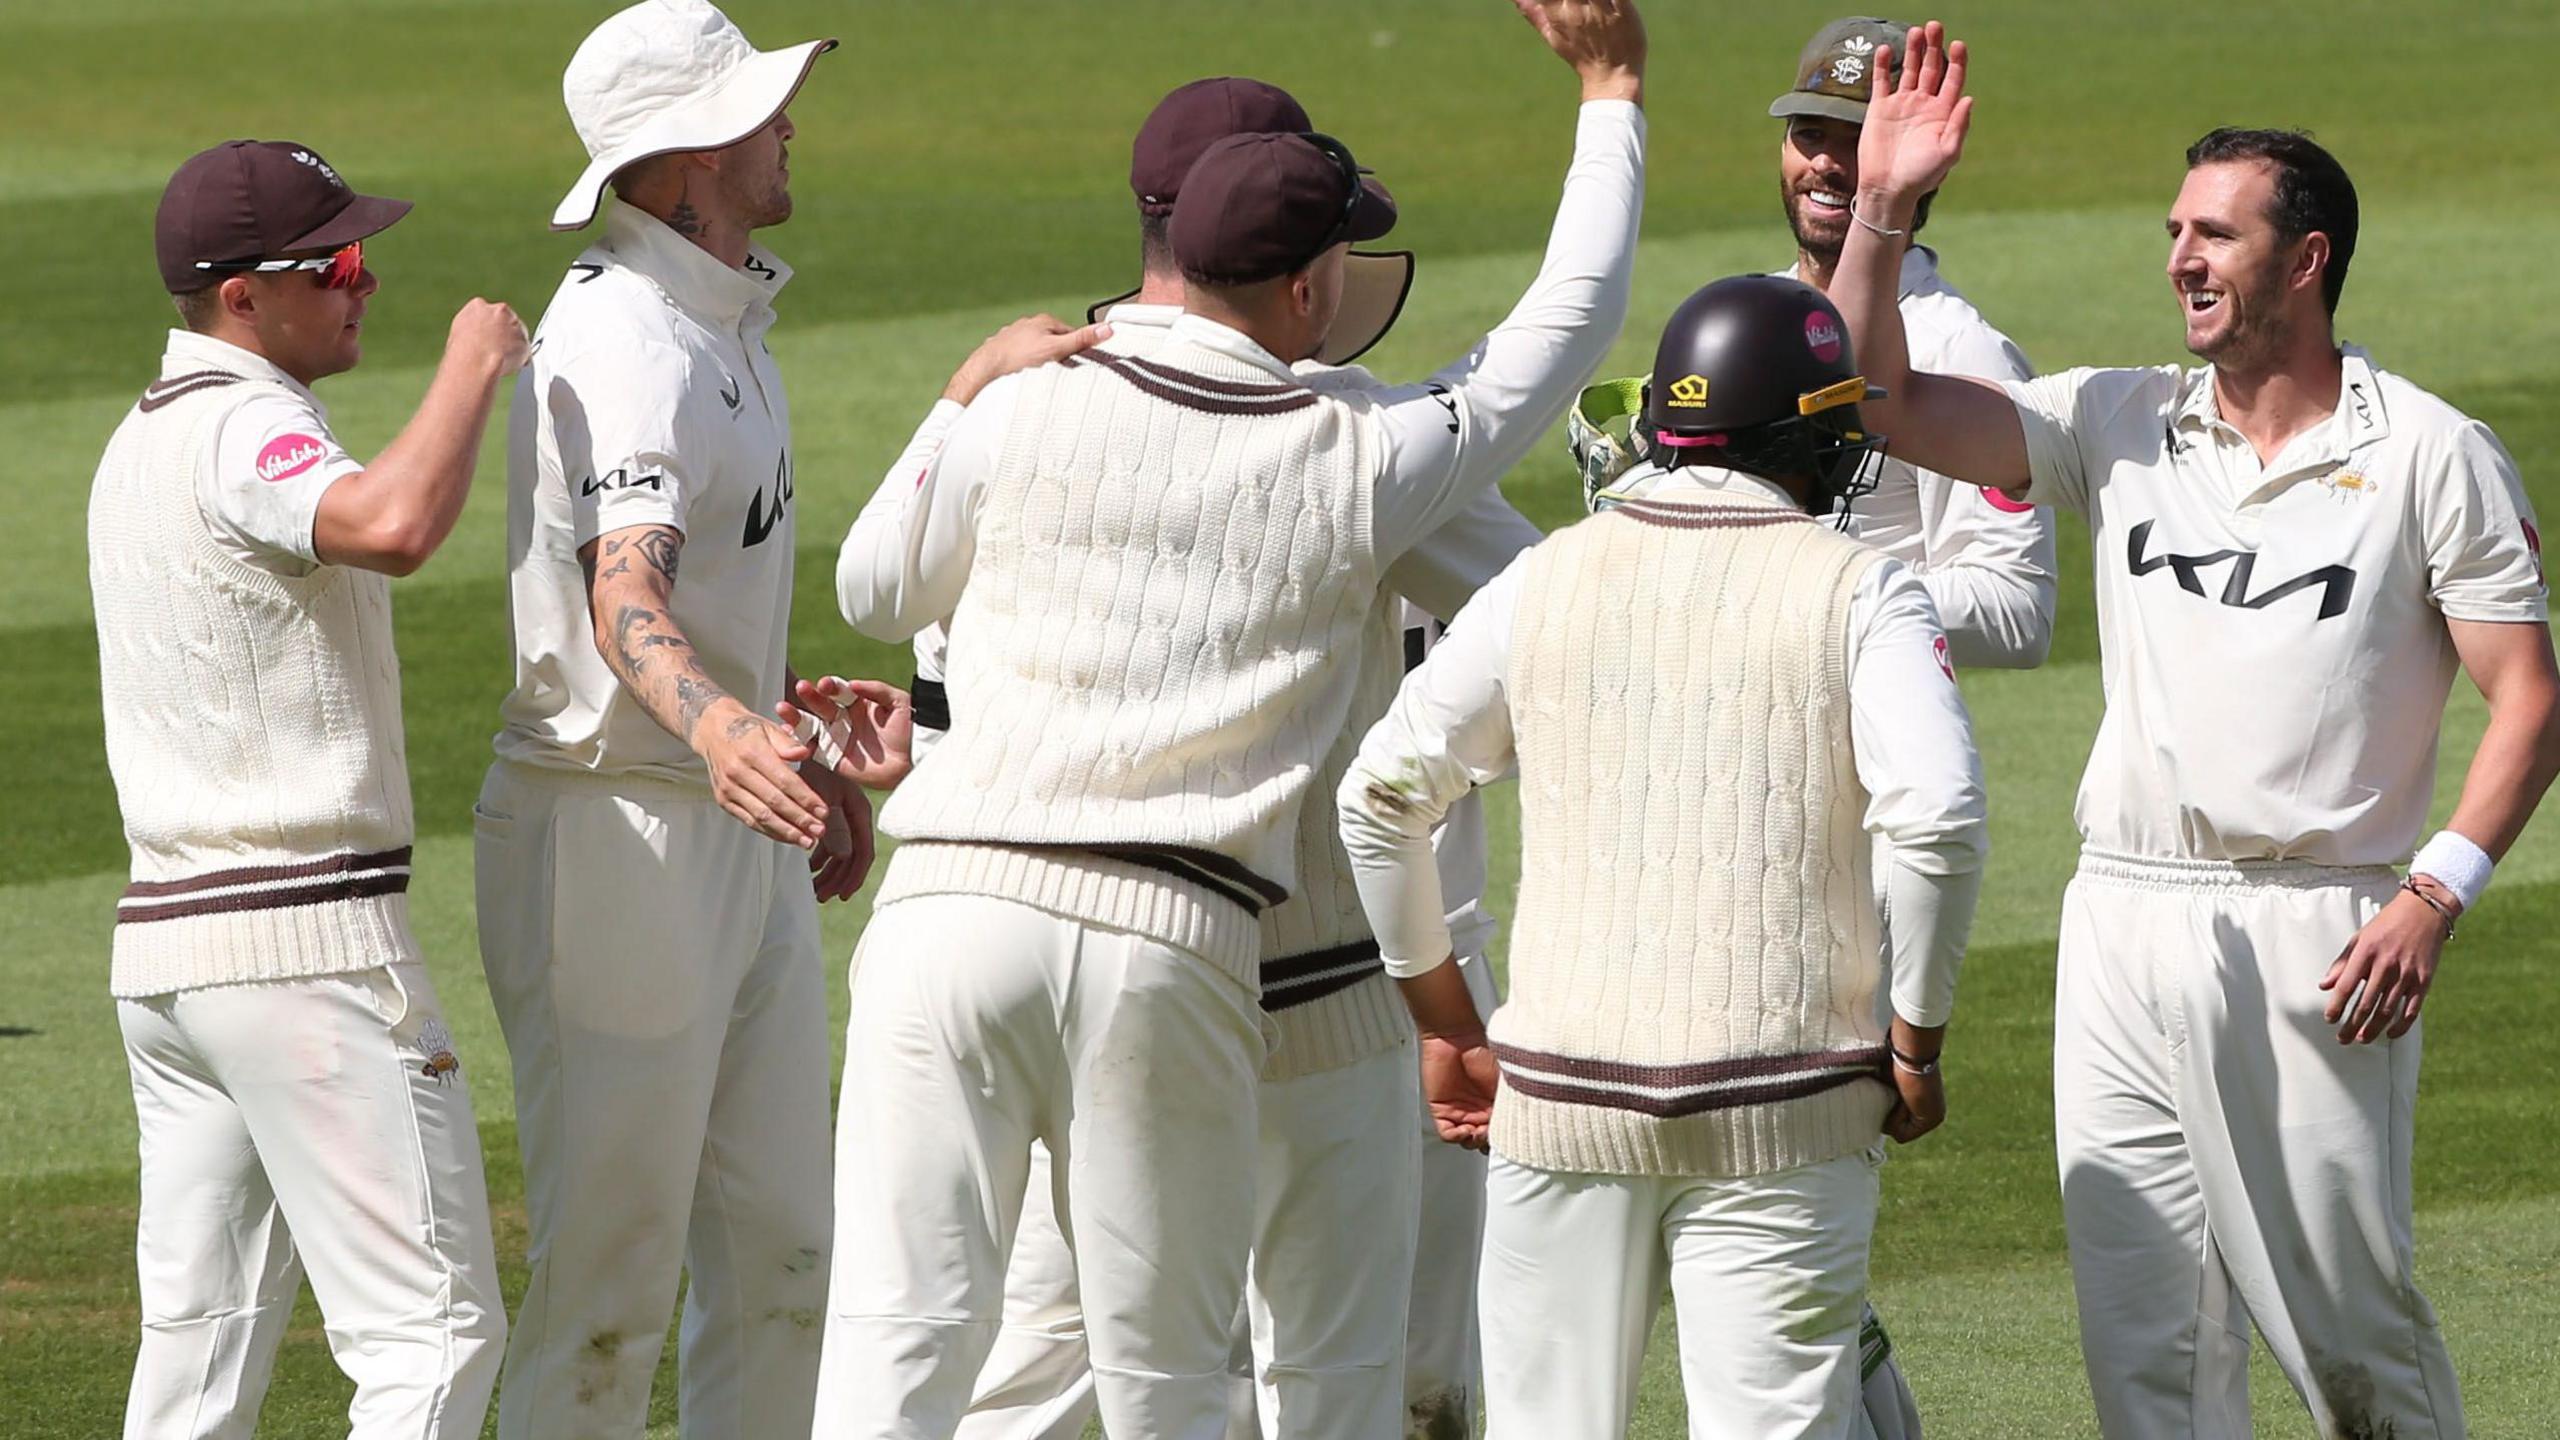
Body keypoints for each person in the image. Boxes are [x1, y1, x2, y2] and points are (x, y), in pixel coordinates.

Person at [817, 2, 1648, 1433]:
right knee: (1171, 1382)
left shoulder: (1024, 401)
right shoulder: (1355, 453)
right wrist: (1610, 90)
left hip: (944, 910)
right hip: (1170, 936)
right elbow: (1559, 328)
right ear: (1313, 293)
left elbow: (873, 585)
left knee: (899, 1347)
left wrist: (961, 393)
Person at [1829, 24, 2560, 1438]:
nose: (2180, 258)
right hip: (2120, 919)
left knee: (2349, 1331)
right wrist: (1883, 212)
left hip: (2323, 930)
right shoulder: (2119, 419)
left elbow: (2528, 696)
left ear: (2309, 259)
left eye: (2216, 235)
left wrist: (2435, 895)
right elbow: (1881, 399)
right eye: (2175, 231)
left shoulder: (2427, 452)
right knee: (2146, 1340)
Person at [1339, 275, 1988, 1440]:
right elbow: (1935, 816)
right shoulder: (1864, 587)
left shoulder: (1543, 576)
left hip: (1558, 1105)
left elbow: (1381, 798)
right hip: (1785, 1118)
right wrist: (1916, 1042)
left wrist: (1444, 1021)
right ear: (1808, 434)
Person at [473, 3, 893, 1436]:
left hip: (715, 819)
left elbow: (689, 606)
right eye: (755, 108)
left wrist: (786, 746)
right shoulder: (628, 339)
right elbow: (625, 593)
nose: (787, 120)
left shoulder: (720, 320)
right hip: (614, 838)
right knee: (608, 1282)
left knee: (785, 1255)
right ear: (681, 164)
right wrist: (721, 735)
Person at [93, 138, 526, 1439]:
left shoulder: (142, 436)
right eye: (333, 265)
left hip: (171, 963)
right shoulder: (247, 422)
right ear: (243, 297)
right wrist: (473, 366)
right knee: (434, 1337)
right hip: (303, 959)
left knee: (200, 1355)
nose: (363, 284)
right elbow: (389, 526)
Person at [1768, 14, 2052, 668]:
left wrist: (1806, 597)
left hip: (1865, 745)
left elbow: (2018, 609)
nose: (1829, 165)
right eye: (1809, 133)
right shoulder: (1754, 319)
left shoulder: (1961, 349)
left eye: (1861, 139)